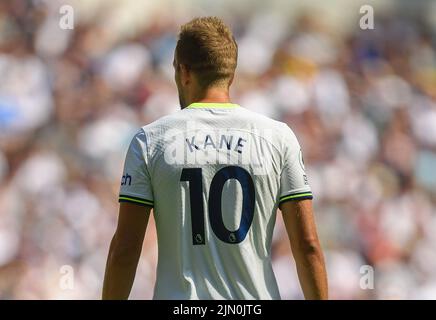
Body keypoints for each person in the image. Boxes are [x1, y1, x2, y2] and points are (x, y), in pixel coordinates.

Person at [102, 16, 328, 300]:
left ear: (183, 72)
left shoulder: (150, 140)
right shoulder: (278, 137)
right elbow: (307, 245)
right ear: (230, 75)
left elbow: (125, 249)